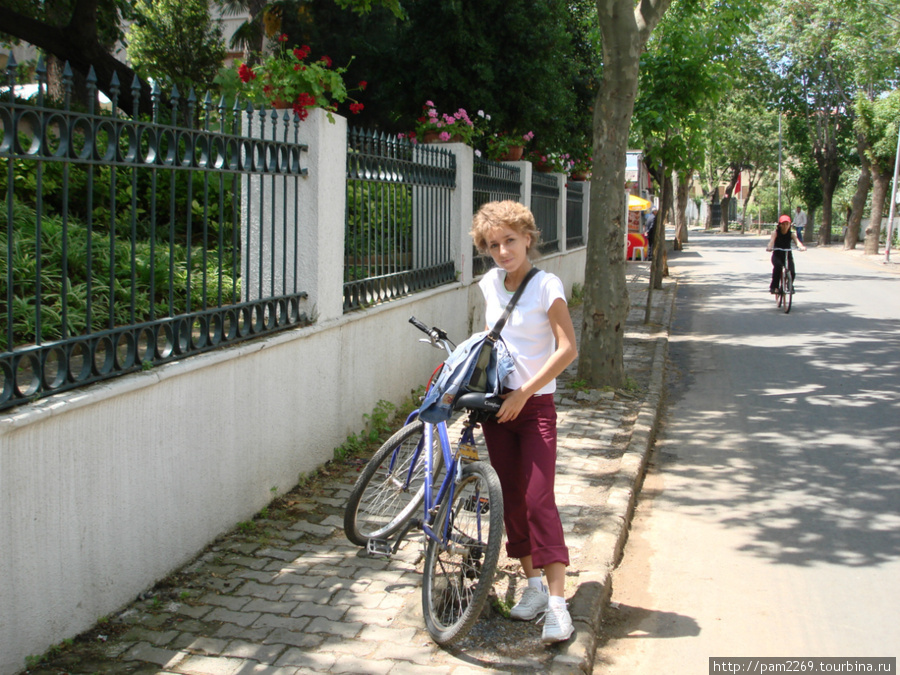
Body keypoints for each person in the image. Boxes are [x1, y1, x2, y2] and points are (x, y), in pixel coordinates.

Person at [470, 200, 578, 644]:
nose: (502, 252)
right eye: (493, 245)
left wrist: (525, 392)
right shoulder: (488, 283)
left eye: (509, 241)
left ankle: (557, 605)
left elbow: (567, 348)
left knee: (538, 500)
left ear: (528, 238)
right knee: (511, 500)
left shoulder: (546, 286)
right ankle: (532, 587)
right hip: (498, 409)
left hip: (533, 409)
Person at [767, 214, 807, 293]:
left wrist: (801, 247)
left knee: (792, 271)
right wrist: (769, 247)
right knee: (778, 267)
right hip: (777, 254)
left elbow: (798, 242)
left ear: (790, 225)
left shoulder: (791, 234)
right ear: (780, 225)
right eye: (783, 224)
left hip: (787, 254)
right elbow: (771, 242)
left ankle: (789, 285)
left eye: (787, 224)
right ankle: (774, 287)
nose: (785, 226)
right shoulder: (775, 233)